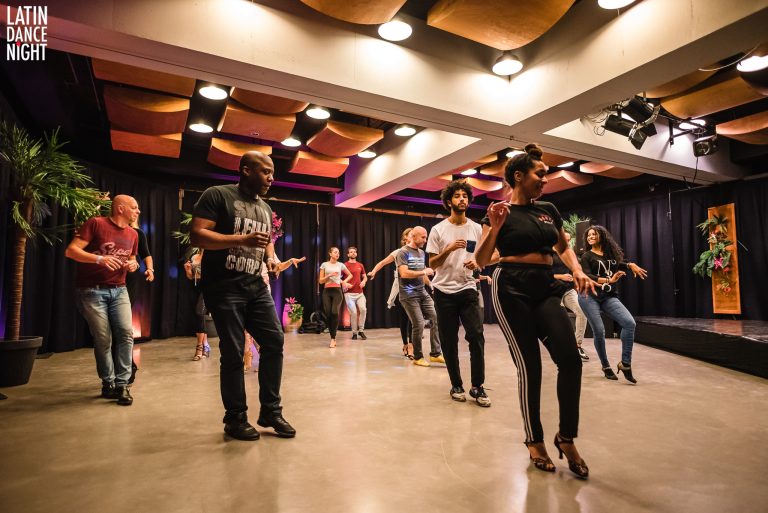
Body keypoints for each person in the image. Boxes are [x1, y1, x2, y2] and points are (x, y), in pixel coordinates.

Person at [476, 143, 594, 479]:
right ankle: (534, 440)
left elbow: (563, 246)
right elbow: (482, 260)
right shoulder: (499, 212)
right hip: (510, 286)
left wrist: (576, 270)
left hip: (545, 285)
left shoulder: (548, 210)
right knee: (530, 367)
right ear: (518, 176)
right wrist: (495, 228)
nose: (545, 179)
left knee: (570, 360)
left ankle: (566, 437)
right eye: (539, 174)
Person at [190, 150, 295, 441]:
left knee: (274, 341)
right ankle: (235, 419)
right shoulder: (217, 195)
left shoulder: (265, 208)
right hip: (223, 287)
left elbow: (262, 245)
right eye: (265, 171)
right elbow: (197, 235)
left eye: (273, 173)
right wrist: (240, 239)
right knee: (234, 352)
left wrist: (269, 260)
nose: (271, 178)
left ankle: (270, 411)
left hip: (255, 286)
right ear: (246, 170)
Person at [65, 194, 140, 406]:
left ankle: (122, 384)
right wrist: (100, 258)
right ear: (121, 208)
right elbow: (71, 251)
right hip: (91, 291)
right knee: (103, 338)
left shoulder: (133, 234)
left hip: (119, 290)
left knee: (126, 334)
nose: (138, 211)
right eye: (134, 207)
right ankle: (108, 382)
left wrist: (133, 265)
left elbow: (132, 258)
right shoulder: (96, 223)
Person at [426, 179, 490, 406]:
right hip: (444, 292)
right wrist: (449, 248)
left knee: (477, 337)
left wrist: (477, 263)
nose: (462, 199)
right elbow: (432, 264)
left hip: (468, 289)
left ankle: (478, 387)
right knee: (449, 340)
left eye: (465, 195)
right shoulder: (438, 230)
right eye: (457, 196)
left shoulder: (475, 228)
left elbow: (488, 255)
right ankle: (456, 384)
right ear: (448, 201)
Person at [578, 225, 648, 383]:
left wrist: (631, 265)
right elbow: (588, 275)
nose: (590, 237)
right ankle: (606, 366)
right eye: (588, 235)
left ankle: (626, 364)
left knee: (629, 323)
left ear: (602, 236)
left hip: (608, 296)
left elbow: (620, 263)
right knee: (600, 330)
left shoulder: (610, 254)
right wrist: (609, 280)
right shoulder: (586, 256)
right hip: (589, 296)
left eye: (593, 234)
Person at [396, 226, 443, 367]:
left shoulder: (422, 253)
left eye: (426, 237)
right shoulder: (403, 252)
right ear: (414, 236)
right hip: (408, 295)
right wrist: (424, 272)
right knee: (419, 324)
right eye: (423, 237)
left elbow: (422, 273)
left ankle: (435, 353)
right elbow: (404, 273)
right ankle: (418, 356)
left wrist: (430, 284)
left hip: (422, 292)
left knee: (435, 318)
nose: (425, 240)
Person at [369, 228, 413, 358]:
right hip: (400, 287)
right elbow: (382, 262)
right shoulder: (398, 252)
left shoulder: (417, 252)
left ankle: (411, 345)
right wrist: (373, 271)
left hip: (414, 287)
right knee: (404, 318)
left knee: (413, 318)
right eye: (409, 235)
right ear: (405, 238)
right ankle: (405, 344)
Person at [552, 232, 589, 361]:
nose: (567, 242)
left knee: (582, 312)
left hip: (567, 290)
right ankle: (561, 347)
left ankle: (577, 346)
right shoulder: (548, 254)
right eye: (565, 239)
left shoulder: (569, 254)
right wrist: (560, 276)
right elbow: (542, 275)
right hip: (553, 291)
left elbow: (575, 272)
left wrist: (578, 285)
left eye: (569, 240)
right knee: (560, 319)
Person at [319, 247, 352, 348]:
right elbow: (320, 281)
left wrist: (344, 282)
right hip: (327, 291)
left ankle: (333, 338)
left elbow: (350, 275)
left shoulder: (340, 265)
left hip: (337, 291)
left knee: (334, 312)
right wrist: (329, 276)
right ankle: (332, 335)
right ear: (330, 253)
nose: (337, 254)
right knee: (328, 314)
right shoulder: (324, 265)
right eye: (335, 252)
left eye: (338, 252)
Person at [183, 249, 210, 361]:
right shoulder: (194, 257)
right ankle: (206, 346)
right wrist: (188, 270)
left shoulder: (210, 256)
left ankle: (199, 347)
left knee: (200, 313)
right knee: (198, 316)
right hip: (194, 288)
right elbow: (190, 276)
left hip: (206, 288)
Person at [343, 246, 368, 340]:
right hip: (349, 294)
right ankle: (354, 333)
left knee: (363, 309)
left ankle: (361, 330)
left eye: (354, 252)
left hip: (360, 293)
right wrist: (345, 283)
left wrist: (364, 281)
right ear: (348, 254)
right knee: (353, 313)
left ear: (356, 254)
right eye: (351, 252)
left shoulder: (360, 265)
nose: (353, 253)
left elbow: (365, 277)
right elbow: (340, 279)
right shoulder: (344, 265)